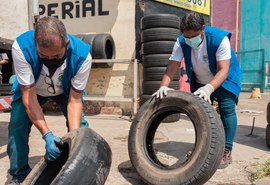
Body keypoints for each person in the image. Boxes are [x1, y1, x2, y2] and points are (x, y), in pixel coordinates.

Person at [8, 16, 92, 184]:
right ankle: (18, 175)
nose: (50, 60)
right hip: (32, 89)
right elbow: (29, 96)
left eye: (56, 56)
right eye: (43, 55)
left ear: (66, 45)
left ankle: (79, 165)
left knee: (80, 129)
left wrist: (74, 140)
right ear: (35, 44)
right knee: (17, 123)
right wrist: (47, 134)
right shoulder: (21, 47)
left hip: (65, 90)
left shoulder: (82, 56)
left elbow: (75, 101)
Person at [153, 12, 242, 169]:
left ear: (202, 29)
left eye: (193, 36)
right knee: (199, 112)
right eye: (186, 37)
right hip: (200, 79)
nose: (190, 40)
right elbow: (173, 65)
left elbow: (223, 70)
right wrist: (163, 86)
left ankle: (226, 150)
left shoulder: (219, 39)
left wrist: (209, 88)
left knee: (226, 109)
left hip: (225, 78)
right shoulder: (181, 42)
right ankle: (202, 147)